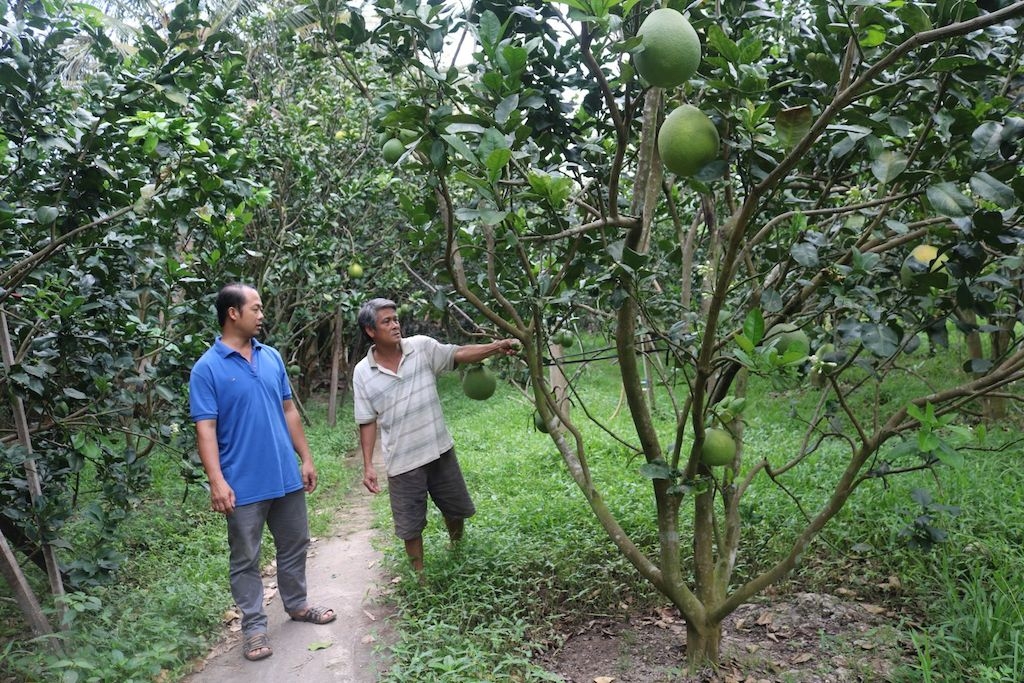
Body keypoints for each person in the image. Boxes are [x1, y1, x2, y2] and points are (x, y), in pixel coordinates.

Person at [189, 283, 335, 662]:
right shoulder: (207, 369)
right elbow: (205, 429)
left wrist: (305, 457)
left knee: (294, 544)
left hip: (285, 476)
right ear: (233, 313)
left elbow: (289, 410)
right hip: (243, 484)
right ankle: (254, 629)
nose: (262, 314)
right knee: (245, 559)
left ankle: (298, 605)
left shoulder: (271, 356)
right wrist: (217, 482)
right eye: (256, 308)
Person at [353, 297, 519, 573]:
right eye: (387, 321)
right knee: (410, 526)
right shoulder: (362, 373)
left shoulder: (421, 347)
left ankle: (457, 549)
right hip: (403, 461)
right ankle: (420, 578)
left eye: (396, 319)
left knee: (454, 508)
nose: (396, 325)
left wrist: (496, 347)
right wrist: (369, 465)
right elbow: (367, 421)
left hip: (438, 449)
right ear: (371, 331)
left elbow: (459, 353)